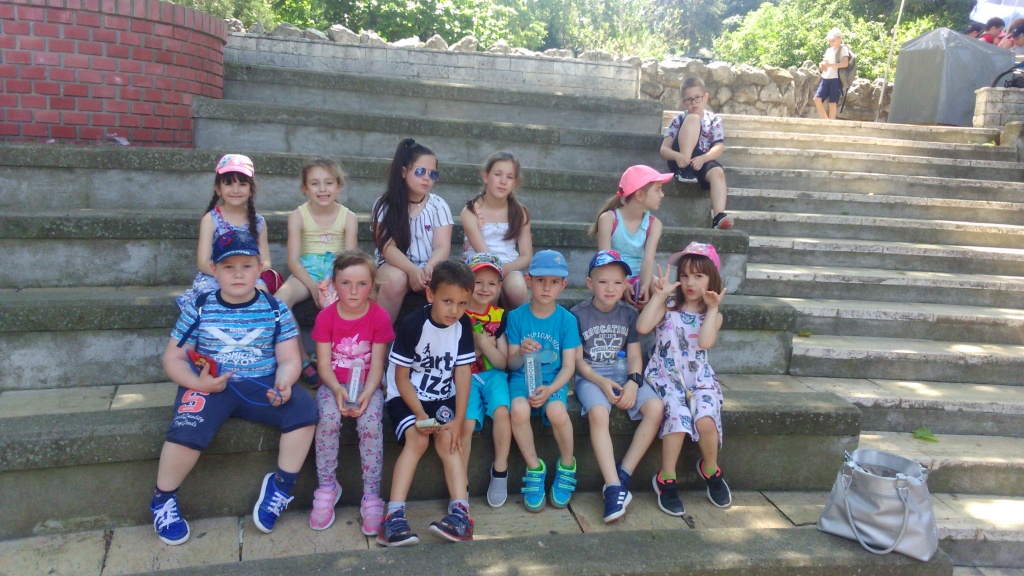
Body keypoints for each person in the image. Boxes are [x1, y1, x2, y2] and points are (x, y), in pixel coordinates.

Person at [151, 230, 318, 545]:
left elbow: (288, 358)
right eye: (229, 267)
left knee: (305, 410)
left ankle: (281, 486)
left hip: (261, 382)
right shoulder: (200, 306)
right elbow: (173, 358)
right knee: (187, 429)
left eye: (246, 266)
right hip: (209, 383)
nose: (238, 274)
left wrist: (285, 380)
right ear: (214, 270)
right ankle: (163, 499)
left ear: (260, 268)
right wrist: (197, 382)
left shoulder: (275, 308)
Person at [377, 260, 477, 546]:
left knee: (449, 441)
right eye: (448, 301)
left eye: (462, 303)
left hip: (442, 397)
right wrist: (420, 414)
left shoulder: (462, 325)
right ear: (431, 294)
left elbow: (463, 373)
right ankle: (393, 517)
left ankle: (461, 515)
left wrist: (457, 420)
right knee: (418, 440)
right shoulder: (413, 324)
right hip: (408, 398)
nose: (454, 310)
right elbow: (401, 377)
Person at [637, 242, 732, 516]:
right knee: (678, 417)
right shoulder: (668, 306)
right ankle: (666, 477)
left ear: (712, 279)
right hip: (666, 376)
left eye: (698, 276)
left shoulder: (714, 315)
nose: (690, 282)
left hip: (699, 379)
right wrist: (658, 296)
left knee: (705, 419)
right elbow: (642, 326)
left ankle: (710, 469)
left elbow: (705, 342)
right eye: (685, 275)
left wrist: (712, 309)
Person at [571, 250, 664, 523]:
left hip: (625, 374)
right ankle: (612, 487)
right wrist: (601, 381)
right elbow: (578, 362)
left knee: (656, 407)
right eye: (602, 282)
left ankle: (623, 474)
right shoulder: (578, 314)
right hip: (591, 377)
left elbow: (635, 355)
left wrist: (634, 383)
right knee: (599, 413)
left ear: (626, 285)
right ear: (590, 283)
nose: (610, 288)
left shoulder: (629, 314)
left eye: (617, 282)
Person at [309, 251, 393, 534]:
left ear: (372, 285)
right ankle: (327, 487)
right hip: (333, 384)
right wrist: (336, 389)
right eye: (346, 283)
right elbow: (323, 365)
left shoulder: (379, 317)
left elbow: (378, 365)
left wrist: (368, 393)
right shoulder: (326, 317)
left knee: (370, 425)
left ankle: (371, 494)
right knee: (328, 420)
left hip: (368, 386)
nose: (354, 291)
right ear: (334, 284)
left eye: (362, 284)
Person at [506, 250, 582, 512]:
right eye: (540, 280)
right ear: (528, 280)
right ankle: (534, 467)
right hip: (521, 378)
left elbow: (569, 366)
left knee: (557, 410)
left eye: (554, 282)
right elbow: (511, 364)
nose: (546, 287)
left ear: (563, 285)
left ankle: (567, 465)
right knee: (518, 410)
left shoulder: (567, 320)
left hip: (553, 381)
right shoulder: (516, 317)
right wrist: (520, 352)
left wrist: (550, 389)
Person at [274, 158, 359, 388]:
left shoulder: (348, 217)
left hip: (338, 269)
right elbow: (293, 261)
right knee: (279, 301)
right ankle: (302, 360)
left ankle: (339, 360)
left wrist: (331, 285)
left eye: (328, 183)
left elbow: (350, 260)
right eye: (314, 183)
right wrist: (313, 287)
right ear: (305, 188)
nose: (322, 189)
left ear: (339, 186)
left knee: (343, 301)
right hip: (307, 270)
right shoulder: (298, 215)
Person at [372, 138, 454, 323]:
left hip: (429, 267)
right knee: (396, 279)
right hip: (394, 266)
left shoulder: (438, 206)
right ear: (403, 171)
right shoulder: (385, 205)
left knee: (449, 283)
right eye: (420, 171)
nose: (426, 178)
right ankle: (381, 335)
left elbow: (442, 246)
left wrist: (429, 268)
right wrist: (411, 270)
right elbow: (387, 247)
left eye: (433, 174)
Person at [175, 154, 271, 310]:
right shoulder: (211, 219)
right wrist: (226, 276)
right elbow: (203, 262)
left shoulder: (259, 222)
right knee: (211, 298)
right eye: (228, 184)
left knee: (263, 298)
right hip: (215, 276)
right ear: (218, 189)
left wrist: (246, 274)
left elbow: (266, 262)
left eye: (242, 184)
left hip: (247, 277)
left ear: (251, 190)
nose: (235, 190)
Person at [461, 252, 513, 508]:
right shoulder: (457, 313)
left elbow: (503, 362)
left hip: (494, 376)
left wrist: (482, 343)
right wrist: (479, 349)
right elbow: (454, 356)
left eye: (491, 283)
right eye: (478, 282)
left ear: (500, 287)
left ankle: (500, 470)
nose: (484, 288)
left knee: (502, 411)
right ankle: (460, 482)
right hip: (464, 376)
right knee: (466, 422)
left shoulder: (500, 316)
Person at [590, 165, 670, 309]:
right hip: (612, 276)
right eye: (657, 190)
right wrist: (623, 282)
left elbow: (648, 261)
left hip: (640, 276)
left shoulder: (654, 224)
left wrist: (645, 285)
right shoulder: (608, 219)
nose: (662, 195)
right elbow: (605, 260)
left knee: (661, 290)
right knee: (611, 287)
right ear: (640, 195)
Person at [462, 151, 534, 309]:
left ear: (515, 183)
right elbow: (485, 255)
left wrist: (505, 269)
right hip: (479, 266)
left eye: (509, 177)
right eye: (498, 174)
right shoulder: (471, 212)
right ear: (485, 176)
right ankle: (487, 322)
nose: (503, 181)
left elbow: (526, 256)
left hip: (509, 267)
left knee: (517, 288)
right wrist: (495, 274)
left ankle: (523, 323)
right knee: (488, 289)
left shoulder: (520, 213)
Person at [659, 77, 733, 230]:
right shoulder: (678, 120)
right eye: (689, 100)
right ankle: (685, 171)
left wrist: (703, 158)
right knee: (692, 119)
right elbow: (664, 149)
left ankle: (718, 215)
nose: (694, 103)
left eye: (697, 98)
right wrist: (678, 156)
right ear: (683, 102)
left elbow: (718, 147)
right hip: (680, 158)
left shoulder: (714, 120)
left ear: (705, 97)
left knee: (718, 172)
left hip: (701, 160)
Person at [813, 28, 851, 121]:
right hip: (826, 77)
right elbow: (824, 65)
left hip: (836, 78)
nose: (831, 43)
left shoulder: (843, 49)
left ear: (839, 38)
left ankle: (831, 122)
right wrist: (823, 65)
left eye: (833, 40)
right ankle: (827, 121)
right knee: (817, 99)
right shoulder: (829, 50)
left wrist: (830, 65)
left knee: (832, 103)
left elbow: (845, 63)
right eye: (830, 41)